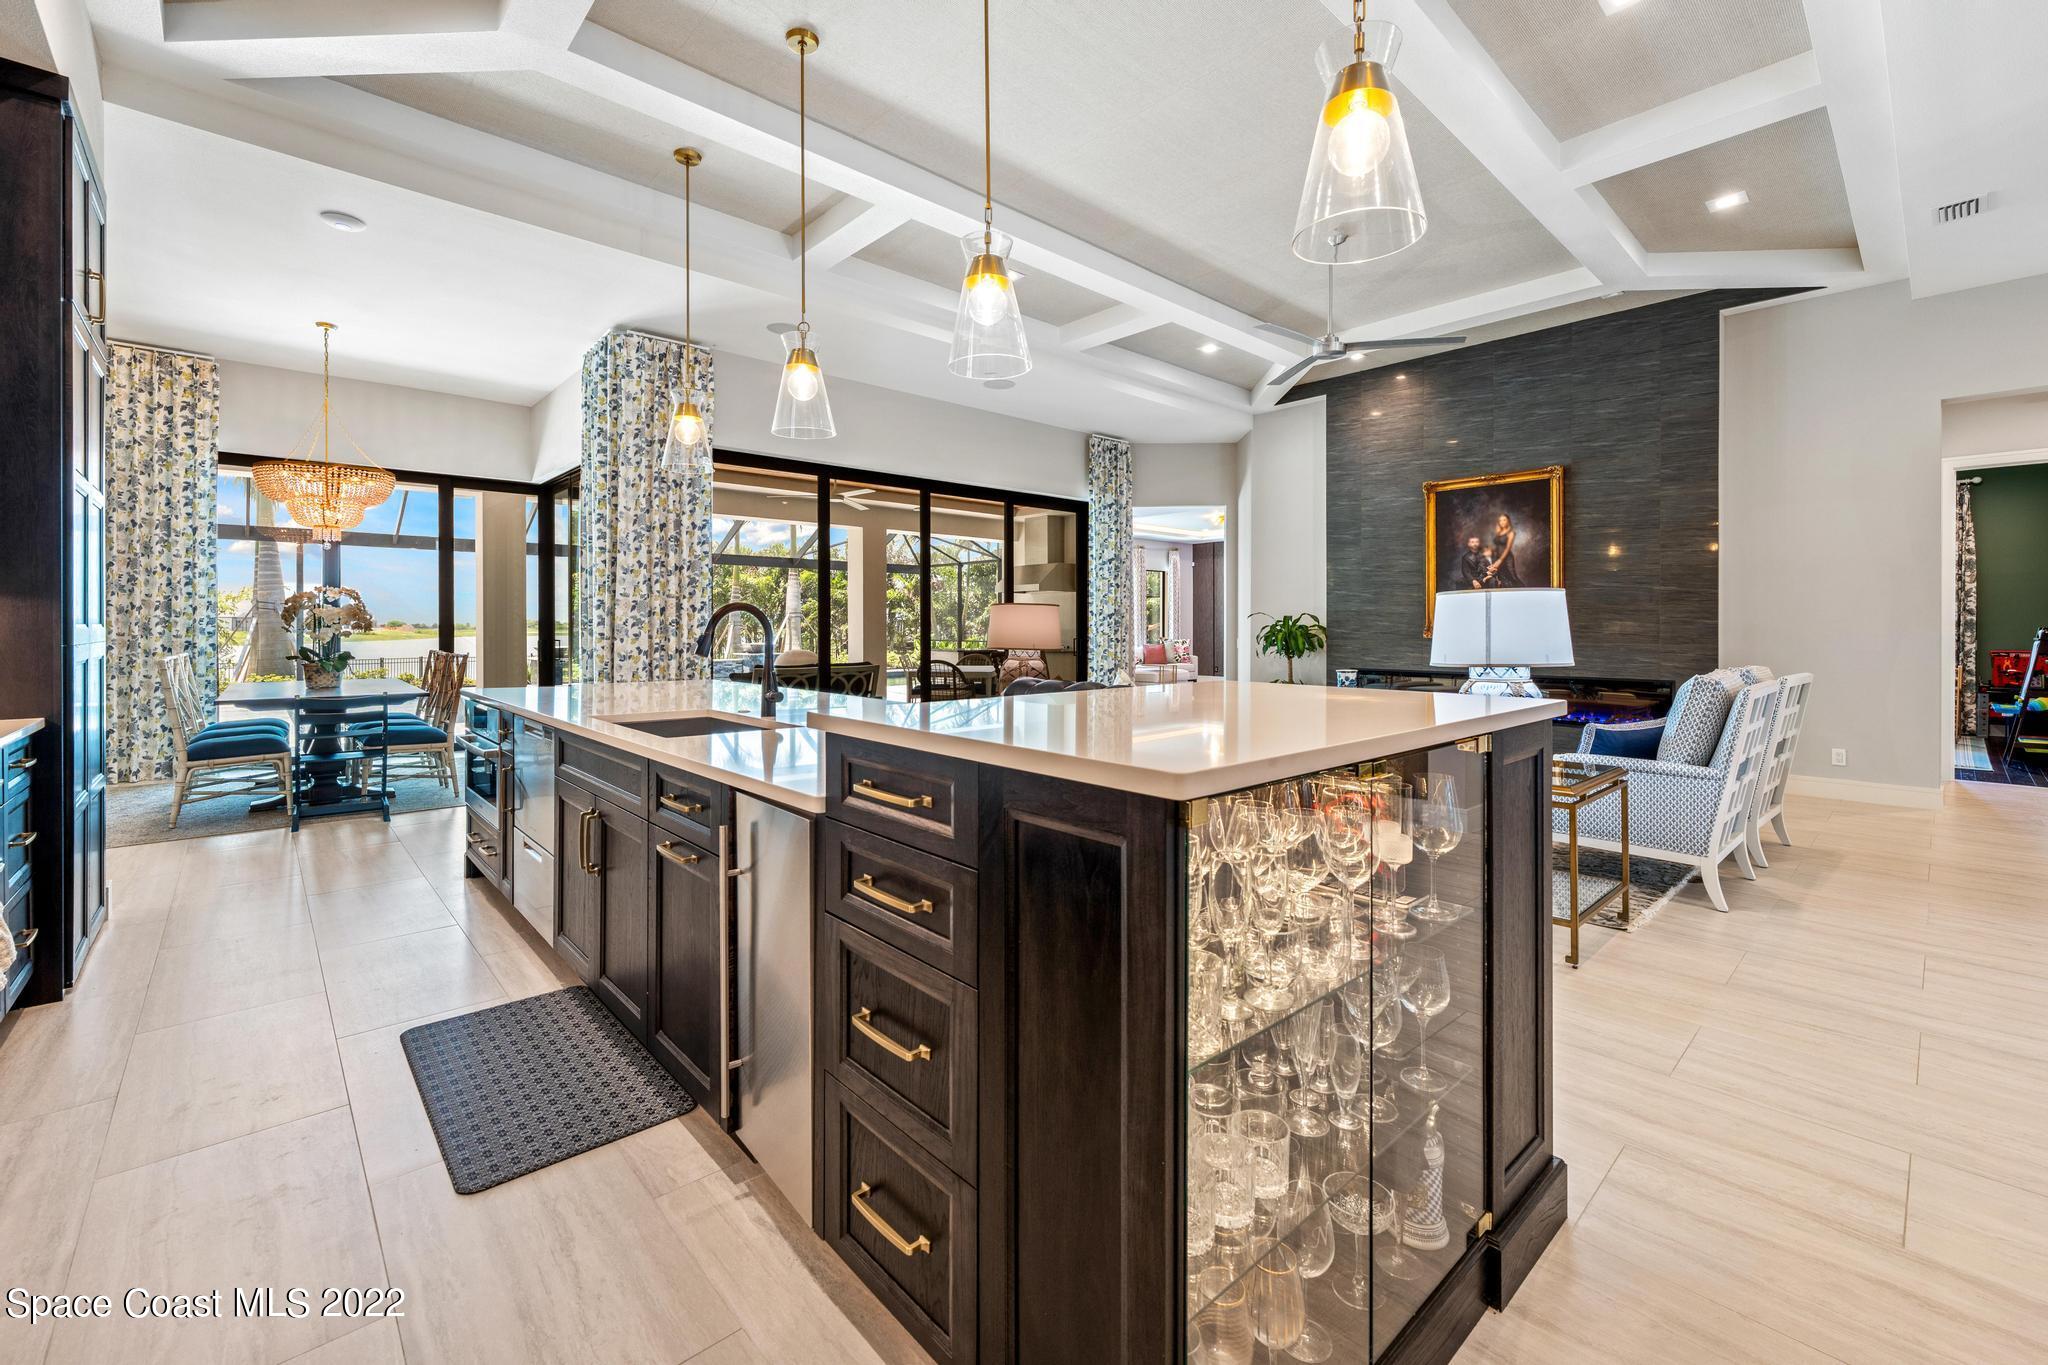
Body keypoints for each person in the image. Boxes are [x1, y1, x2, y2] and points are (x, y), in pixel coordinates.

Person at [1486, 512, 1523, 588]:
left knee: (1512, 577)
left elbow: (1507, 548)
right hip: (1496, 557)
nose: (1502, 522)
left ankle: (1522, 593)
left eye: (1504, 520)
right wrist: (1490, 551)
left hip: (1506, 558)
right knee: (1500, 577)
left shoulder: (1511, 533)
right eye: (1500, 520)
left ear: (1508, 521)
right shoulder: (1499, 532)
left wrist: (1499, 561)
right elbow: (1497, 545)